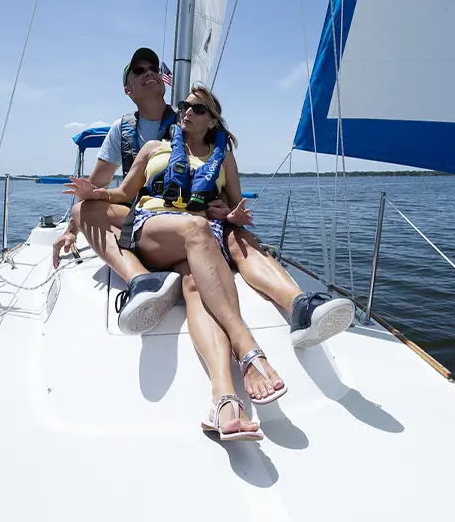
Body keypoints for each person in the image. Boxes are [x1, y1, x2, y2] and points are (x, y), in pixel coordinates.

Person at [53, 47, 354, 348]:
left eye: (153, 68)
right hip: (144, 223)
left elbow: (214, 183)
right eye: (139, 70)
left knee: (234, 239)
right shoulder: (128, 133)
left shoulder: (195, 133)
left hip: (196, 223)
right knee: (84, 211)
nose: (150, 73)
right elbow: (102, 188)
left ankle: (295, 310)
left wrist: (227, 210)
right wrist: (70, 230)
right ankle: (144, 282)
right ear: (128, 89)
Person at [64, 84, 282, 440]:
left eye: (196, 109)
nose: (186, 112)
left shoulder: (220, 155)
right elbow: (122, 194)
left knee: (195, 285)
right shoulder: (153, 148)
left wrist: (232, 215)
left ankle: (222, 399)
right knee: (90, 210)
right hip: (156, 230)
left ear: (212, 120)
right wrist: (95, 193)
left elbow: (235, 205)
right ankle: (248, 350)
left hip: (195, 243)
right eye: (184, 106)